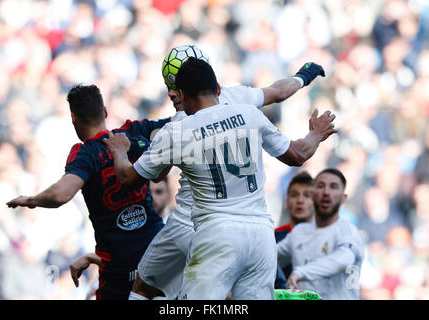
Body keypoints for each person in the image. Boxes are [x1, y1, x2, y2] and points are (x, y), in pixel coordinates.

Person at [103, 57, 337, 299]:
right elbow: (298, 154)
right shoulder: (249, 114)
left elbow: (129, 179)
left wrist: (120, 151)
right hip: (261, 237)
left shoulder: (177, 131)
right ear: (217, 89)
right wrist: (316, 133)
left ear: (181, 94)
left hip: (217, 235)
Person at [6, 84, 170, 300]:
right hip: (156, 252)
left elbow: (61, 194)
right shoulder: (132, 132)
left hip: (118, 270)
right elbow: (178, 122)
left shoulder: (85, 154)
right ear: (105, 112)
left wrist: (31, 200)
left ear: (73, 118)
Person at [277, 168, 365, 300]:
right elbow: (270, 257)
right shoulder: (299, 232)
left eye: (333, 187)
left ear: (343, 198)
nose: (326, 192)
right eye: (320, 186)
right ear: (312, 195)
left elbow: (344, 260)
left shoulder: (348, 230)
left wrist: (302, 272)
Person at [275, 171, 314, 289]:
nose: (300, 200)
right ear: (286, 202)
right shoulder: (271, 237)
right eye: (294, 194)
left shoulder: (324, 239)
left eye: (307, 195)